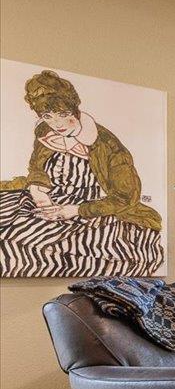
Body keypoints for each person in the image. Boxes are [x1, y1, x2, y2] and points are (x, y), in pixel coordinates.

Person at [0, 70, 163, 277]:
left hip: (89, 208)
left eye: (62, 115)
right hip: (51, 198)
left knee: (40, 248)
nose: (56, 124)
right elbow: (37, 168)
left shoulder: (108, 146)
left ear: (74, 110)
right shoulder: (44, 132)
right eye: (47, 116)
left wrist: (75, 210)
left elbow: (126, 197)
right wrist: (39, 193)